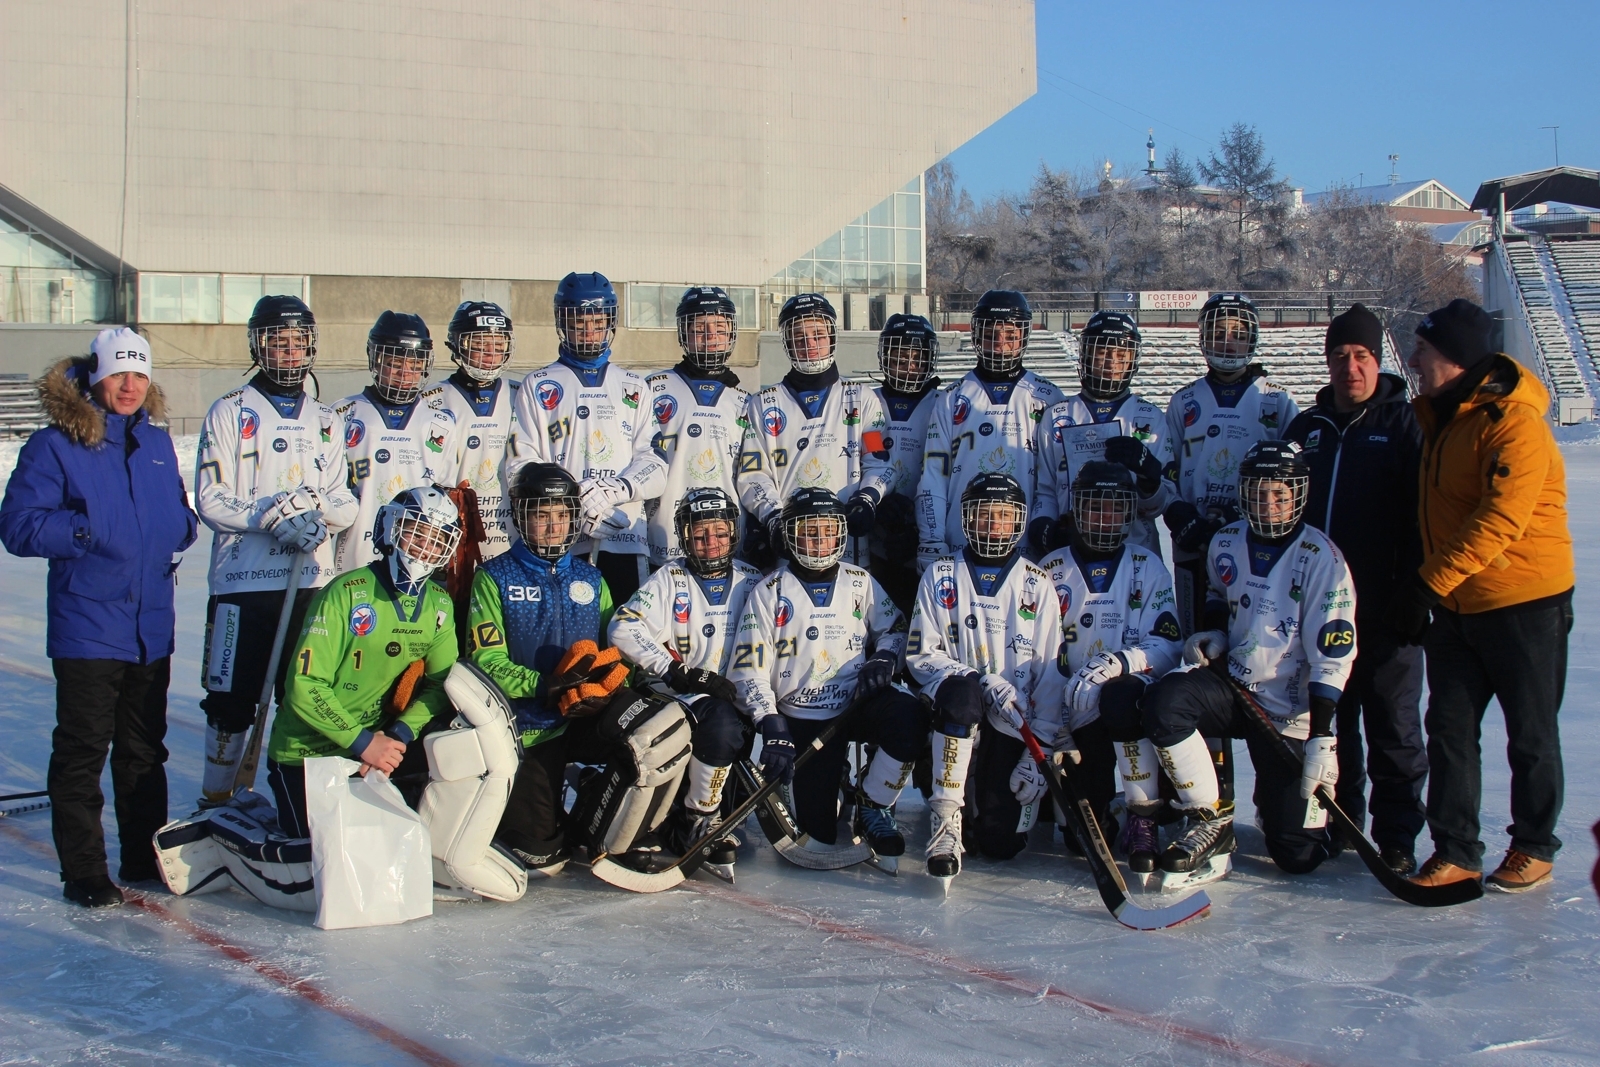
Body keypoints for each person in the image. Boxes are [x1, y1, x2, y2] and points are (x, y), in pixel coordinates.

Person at [0, 327, 197, 906]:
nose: (130, 386)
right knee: (84, 750)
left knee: (145, 750)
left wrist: (181, 527)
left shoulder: (158, 445)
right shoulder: (55, 445)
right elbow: (17, 524)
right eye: (119, 374)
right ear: (96, 377)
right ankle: (84, 870)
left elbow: (177, 512)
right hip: (87, 624)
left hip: (150, 626)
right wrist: (82, 531)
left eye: (139, 374)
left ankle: (141, 856)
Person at [1392, 299, 1574, 893]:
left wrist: (1424, 584)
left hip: (1524, 602)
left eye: (1424, 348)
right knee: (1448, 729)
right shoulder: (1440, 413)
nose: (1414, 358)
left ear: (1455, 358)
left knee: (1530, 730)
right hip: (1457, 601)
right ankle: (1456, 849)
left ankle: (1534, 844)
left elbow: (1500, 521)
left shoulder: (1513, 422)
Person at [1134, 440, 1356, 887]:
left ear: (1297, 495)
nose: (1268, 504)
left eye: (1279, 493)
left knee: (1296, 855)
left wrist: (1323, 735)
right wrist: (1215, 635)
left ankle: (1292, 814)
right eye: (1258, 492)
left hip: (1288, 711)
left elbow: (1333, 653)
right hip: (1235, 688)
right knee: (1165, 701)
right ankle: (1208, 819)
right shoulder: (1228, 540)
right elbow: (1220, 598)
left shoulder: (1323, 559)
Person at [467, 463, 683, 876]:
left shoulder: (591, 577)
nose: (553, 526)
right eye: (541, 515)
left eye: (562, 515)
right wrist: (545, 685)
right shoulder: (493, 578)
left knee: (657, 725)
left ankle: (600, 806)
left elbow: (614, 651)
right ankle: (551, 817)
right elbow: (486, 661)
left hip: (585, 716)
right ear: (521, 516)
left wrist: (613, 688)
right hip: (527, 725)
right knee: (542, 858)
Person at [191, 296, 358, 805]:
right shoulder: (230, 410)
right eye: (277, 343)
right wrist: (273, 517)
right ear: (258, 346)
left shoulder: (327, 419)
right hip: (242, 585)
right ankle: (217, 797)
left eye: (297, 343)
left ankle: (296, 801)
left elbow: (345, 501)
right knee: (230, 702)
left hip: (308, 585)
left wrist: (316, 516)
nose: (288, 353)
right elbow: (210, 499)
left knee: (302, 697)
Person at [1283, 304, 1427, 873]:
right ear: (1327, 361)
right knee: (1330, 724)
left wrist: (1416, 591)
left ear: (1378, 359)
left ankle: (1396, 836)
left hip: (1388, 603)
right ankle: (1341, 823)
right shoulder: (1306, 431)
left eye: (1362, 356)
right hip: (1319, 613)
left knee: (1393, 725)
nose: (1351, 368)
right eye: (1340, 356)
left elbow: (1424, 517)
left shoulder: (1402, 424)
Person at [727, 488, 921, 868]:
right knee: (818, 832)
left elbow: (897, 629)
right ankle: (833, 781)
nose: (819, 541)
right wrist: (771, 722)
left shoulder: (859, 580)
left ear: (841, 534)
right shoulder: (770, 591)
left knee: (909, 717)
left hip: (856, 704)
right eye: (809, 532)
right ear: (791, 535)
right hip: (803, 718)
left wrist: (884, 656)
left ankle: (872, 802)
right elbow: (748, 667)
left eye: (828, 531)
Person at [265, 487, 462, 836]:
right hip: (308, 754)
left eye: (437, 540)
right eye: (416, 532)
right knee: (319, 854)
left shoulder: (440, 606)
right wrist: (362, 742)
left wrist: (398, 734)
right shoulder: (345, 592)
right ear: (391, 529)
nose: (424, 547)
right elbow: (305, 686)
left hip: (379, 747)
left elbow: (442, 686)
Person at [903, 474, 1064, 883]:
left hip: (1012, 723)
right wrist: (980, 679)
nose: (995, 524)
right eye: (985, 514)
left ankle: (970, 797)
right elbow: (921, 657)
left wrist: (1037, 748)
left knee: (999, 843)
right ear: (967, 518)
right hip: (958, 713)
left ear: (1019, 522)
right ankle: (944, 814)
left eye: (1005, 516)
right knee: (961, 692)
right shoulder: (941, 574)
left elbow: (1050, 674)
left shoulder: (1037, 582)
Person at [607, 487, 762, 869]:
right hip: (680, 699)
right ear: (684, 535)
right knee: (722, 724)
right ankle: (700, 820)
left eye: (720, 533)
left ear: (734, 533)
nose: (711, 543)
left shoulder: (755, 580)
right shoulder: (669, 579)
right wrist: (678, 671)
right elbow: (623, 628)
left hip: (736, 699)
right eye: (700, 534)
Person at [1038, 462, 1182, 870]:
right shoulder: (1049, 569)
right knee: (1078, 838)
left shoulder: (1146, 565)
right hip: (1074, 715)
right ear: (1077, 509)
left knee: (1121, 696)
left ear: (1130, 513)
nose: (1105, 518)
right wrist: (1056, 721)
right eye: (1095, 507)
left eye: (1116, 508)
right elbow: (1034, 652)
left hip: (1126, 707)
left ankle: (1143, 814)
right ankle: (1109, 809)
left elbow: (1168, 644)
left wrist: (1118, 663)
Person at [509, 272, 665, 605]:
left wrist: (614, 490)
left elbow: (655, 463)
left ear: (611, 322)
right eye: (579, 321)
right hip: (560, 537)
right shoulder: (537, 384)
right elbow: (519, 466)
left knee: (624, 635)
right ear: (561, 322)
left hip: (624, 536)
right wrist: (576, 499)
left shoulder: (634, 386)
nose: (589, 330)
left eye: (597, 321)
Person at [1162, 294, 1299, 634]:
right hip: (1192, 540)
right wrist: (1181, 515)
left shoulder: (1277, 399)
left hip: (1255, 536)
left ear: (1252, 338)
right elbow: (1168, 470)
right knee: (1197, 638)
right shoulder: (1184, 400)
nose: (1228, 341)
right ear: (1203, 337)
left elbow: (1293, 475)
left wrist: (1242, 514)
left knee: (1253, 633)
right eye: (1219, 332)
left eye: (1238, 333)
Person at [736, 293, 892, 569]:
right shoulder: (763, 403)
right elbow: (753, 475)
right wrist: (774, 519)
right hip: (791, 548)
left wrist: (867, 498)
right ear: (787, 343)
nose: (809, 344)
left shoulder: (861, 398)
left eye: (818, 334)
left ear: (831, 336)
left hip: (848, 552)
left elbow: (878, 462)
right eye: (799, 337)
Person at [916, 290, 1065, 572]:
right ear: (975, 335)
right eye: (990, 334)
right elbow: (934, 475)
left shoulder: (1048, 397)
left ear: (1024, 336)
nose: (1000, 344)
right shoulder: (952, 398)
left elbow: (1053, 482)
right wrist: (932, 539)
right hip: (962, 543)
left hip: (1026, 547)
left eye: (1010, 335)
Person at [1033, 312, 1175, 556]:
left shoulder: (1150, 417)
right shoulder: (1057, 415)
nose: (1111, 363)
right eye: (1102, 353)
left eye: (1121, 356)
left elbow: (1158, 507)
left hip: (1135, 553)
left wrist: (1148, 478)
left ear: (1133, 360)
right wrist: (1045, 529)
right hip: (1070, 552)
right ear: (1085, 355)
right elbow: (1046, 490)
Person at [334, 311, 451, 572]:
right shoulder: (341, 414)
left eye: (415, 364)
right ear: (375, 359)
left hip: (418, 556)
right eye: (395, 363)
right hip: (356, 557)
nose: (405, 373)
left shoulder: (441, 422)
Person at [642, 287, 749, 568]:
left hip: (723, 546)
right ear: (683, 334)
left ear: (731, 334)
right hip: (663, 542)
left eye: (719, 327)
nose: (710, 335)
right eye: (699, 327)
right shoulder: (653, 388)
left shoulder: (745, 402)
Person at [422, 300, 520, 560]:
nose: (490, 353)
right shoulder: (431, 399)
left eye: (498, 345)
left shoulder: (522, 395)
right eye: (479, 345)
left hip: (511, 529)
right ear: (457, 345)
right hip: (454, 532)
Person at [869, 313, 946, 614]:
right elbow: (870, 451)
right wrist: (879, 505)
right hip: (876, 533)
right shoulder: (868, 402)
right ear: (885, 357)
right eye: (900, 359)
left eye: (917, 359)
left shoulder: (943, 404)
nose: (909, 367)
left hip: (924, 533)